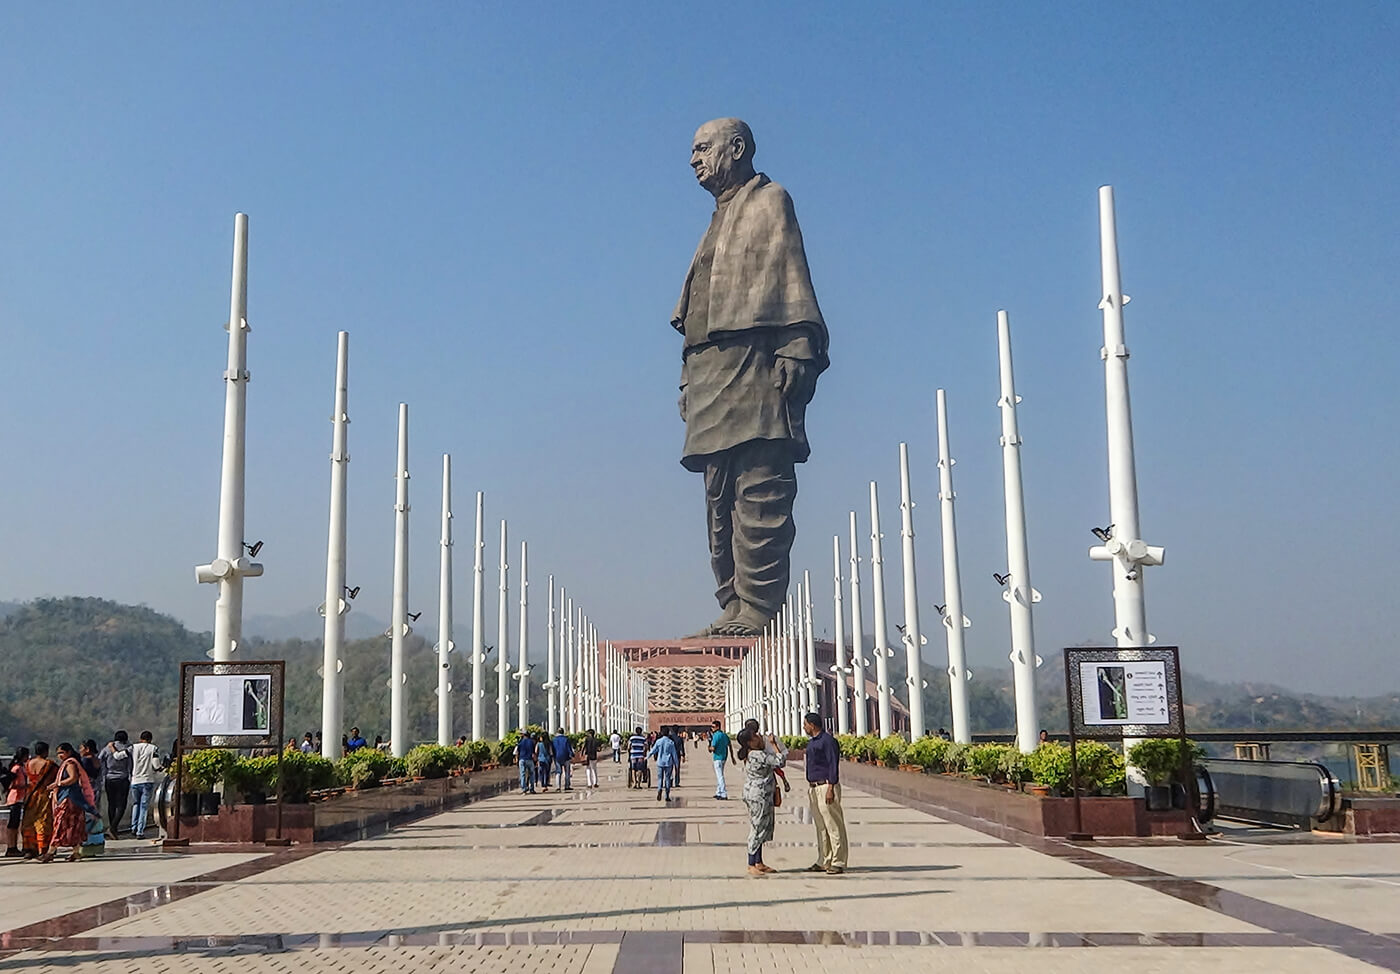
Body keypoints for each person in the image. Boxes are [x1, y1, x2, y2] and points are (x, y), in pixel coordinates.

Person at [673, 118, 830, 637]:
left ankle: (759, 608)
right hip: (709, 371)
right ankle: (733, 603)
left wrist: (797, 345)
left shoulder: (770, 201)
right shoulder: (715, 220)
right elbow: (696, 306)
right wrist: (687, 378)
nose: (693, 160)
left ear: (736, 148)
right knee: (718, 496)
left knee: (761, 486)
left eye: (703, 149)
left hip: (756, 364)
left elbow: (791, 275)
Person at [738, 725, 787, 875]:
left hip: (762, 794)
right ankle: (751, 863)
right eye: (755, 736)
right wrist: (774, 744)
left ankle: (758, 862)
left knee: (762, 827)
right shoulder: (756, 755)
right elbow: (780, 761)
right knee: (757, 827)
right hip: (758, 795)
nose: (759, 737)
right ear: (750, 742)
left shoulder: (754, 753)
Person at [802, 712, 847, 875]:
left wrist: (831, 787)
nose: (804, 727)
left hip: (826, 785)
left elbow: (833, 764)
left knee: (833, 825)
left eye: (805, 724)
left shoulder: (828, 741)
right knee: (821, 826)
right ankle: (824, 859)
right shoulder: (812, 742)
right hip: (814, 787)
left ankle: (838, 861)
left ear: (812, 725)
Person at [46, 743, 99, 863]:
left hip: (70, 798)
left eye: (62, 753)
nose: (60, 755)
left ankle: (50, 852)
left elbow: (73, 778)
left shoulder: (70, 764)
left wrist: (58, 784)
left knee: (60, 824)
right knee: (74, 826)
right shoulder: (68, 763)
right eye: (58, 753)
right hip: (71, 798)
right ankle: (76, 852)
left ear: (69, 752)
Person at [20, 743, 58, 860]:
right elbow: (56, 777)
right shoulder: (49, 765)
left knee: (29, 822)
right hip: (44, 796)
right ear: (46, 751)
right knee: (43, 821)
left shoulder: (28, 764)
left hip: (30, 796)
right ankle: (43, 849)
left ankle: (30, 849)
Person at [128, 731, 162, 840]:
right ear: (150, 739)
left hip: (135, 780)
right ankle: (140, 831)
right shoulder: (153, 749)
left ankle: (133, 827)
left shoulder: (133, 747)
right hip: (147, 780)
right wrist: (160, 768)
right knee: (144, 807)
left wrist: (113, 749)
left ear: (140, 738)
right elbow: (156, 765)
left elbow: (119, 755)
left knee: (136, 804)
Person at [100, 730, 133, 837]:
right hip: (123, 778)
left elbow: (100, 760)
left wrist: (104, 773)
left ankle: (112, 827)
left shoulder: (107, 748)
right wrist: (130, 775)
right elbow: (130, 764)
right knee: (121, 805)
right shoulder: (127, 748)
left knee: (111, 804)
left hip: (109, 778)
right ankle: (113, 827)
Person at [4, 746, 31, 856]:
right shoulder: (16, 769)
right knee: (13, 824)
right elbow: (12, 784)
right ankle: (11, 847)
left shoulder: (22, 767)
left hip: (19, 798)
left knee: (15, 824)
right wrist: (25, 786)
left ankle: (13, 846)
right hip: (15, 797)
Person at [648, 725, 679, 802]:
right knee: (667, 779)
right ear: (668, 733)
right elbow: (674, 754)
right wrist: (676, 764)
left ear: (662, 733)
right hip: (668, 763)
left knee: (660, 778)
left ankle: (659, 789)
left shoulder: (658, 741)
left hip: (660, 762)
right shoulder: (671, 742)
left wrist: (647, 757)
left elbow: (653, 750)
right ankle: (667, 796)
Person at [709, 720, 735, 800]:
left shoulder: (716, 736)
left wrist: (709, 748)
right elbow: (730, 745)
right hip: (724, 757)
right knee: (719, 775)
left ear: (717, 727)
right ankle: (719, 792)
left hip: (717, 757)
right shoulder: (724, 735)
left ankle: (723, 793)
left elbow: (713, 748)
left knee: (720, 776)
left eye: (713, 727)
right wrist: (732, 757)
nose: (712, 728)